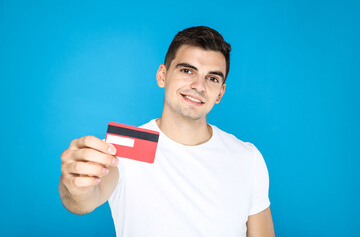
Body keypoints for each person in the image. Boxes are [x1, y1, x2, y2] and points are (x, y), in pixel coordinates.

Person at [59, 26, 275, 237]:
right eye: (187, 70)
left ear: (220, 93)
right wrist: (74, 184)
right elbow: (82, 201)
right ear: (162, 75)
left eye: (212, 78)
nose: (199, 86)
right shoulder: (126, 147)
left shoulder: (247, 158)